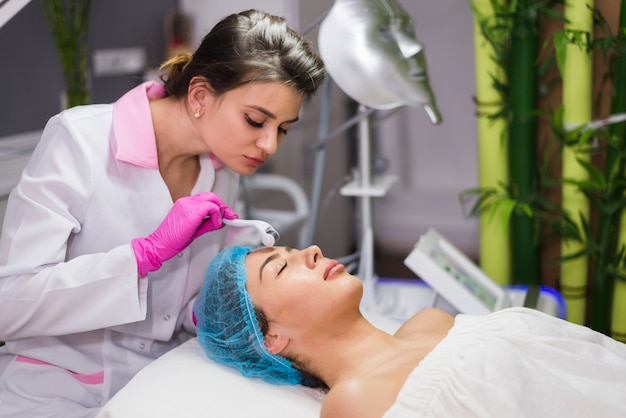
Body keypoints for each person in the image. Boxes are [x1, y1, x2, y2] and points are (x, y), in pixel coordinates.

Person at [0, 10, 325, 418]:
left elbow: (185, 303)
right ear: (200, 96)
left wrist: (214, 310)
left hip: (158, 380)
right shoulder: (80, 140)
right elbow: (7, 304)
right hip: (54, 389)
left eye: (282, 128)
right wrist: (143, 256)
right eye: (256, 120)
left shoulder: (220, 166)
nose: (269, 144)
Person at [194, 245, 626, 418]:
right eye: (283, 266)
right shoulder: (351, 402)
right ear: (270, 339)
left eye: (293, 248)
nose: (312, 250)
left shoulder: (429, 322)